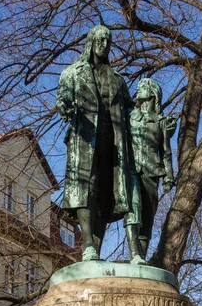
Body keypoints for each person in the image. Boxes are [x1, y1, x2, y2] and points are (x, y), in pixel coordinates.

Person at [56, 25, 143, 263]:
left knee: (107, 193)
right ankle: (88, 246)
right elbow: (62, 98)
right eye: (100, 40)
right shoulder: (73, 72)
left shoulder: (117, 79)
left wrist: (149, 119)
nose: (104, 45)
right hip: (85, 138)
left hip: (113, 142)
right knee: (87, 188)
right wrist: (65, 107)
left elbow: (130, 109)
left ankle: (96, 248)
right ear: (91, 42)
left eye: (108, 41)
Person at [129, 78, 177, 258]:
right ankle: (135, 253)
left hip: (151, 171)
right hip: (131, 169)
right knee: (133, 209)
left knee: (148, 216)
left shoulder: (161, 121)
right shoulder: (130, 116)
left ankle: (141, 255)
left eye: (142, 87)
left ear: (152, 93)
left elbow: (166, 152)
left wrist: (169, 177)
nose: (138, 89)